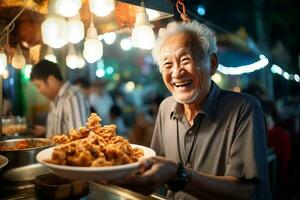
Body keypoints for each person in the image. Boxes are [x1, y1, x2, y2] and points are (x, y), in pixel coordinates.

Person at [112, 20, 271, 200]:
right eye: (167, 64)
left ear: (211, 64)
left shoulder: (244, 109)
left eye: (186, 60)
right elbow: (154, 172)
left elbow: (245, 191)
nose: (177, 73)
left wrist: (177, 174)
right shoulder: (165, 108)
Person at [30, 59, 90, 138]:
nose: (39, 91)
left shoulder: (72, 97)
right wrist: (46, 130)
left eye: (39, 86)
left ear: (51, 80)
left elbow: (79, 137)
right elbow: (63, 129)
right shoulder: (54, 98)